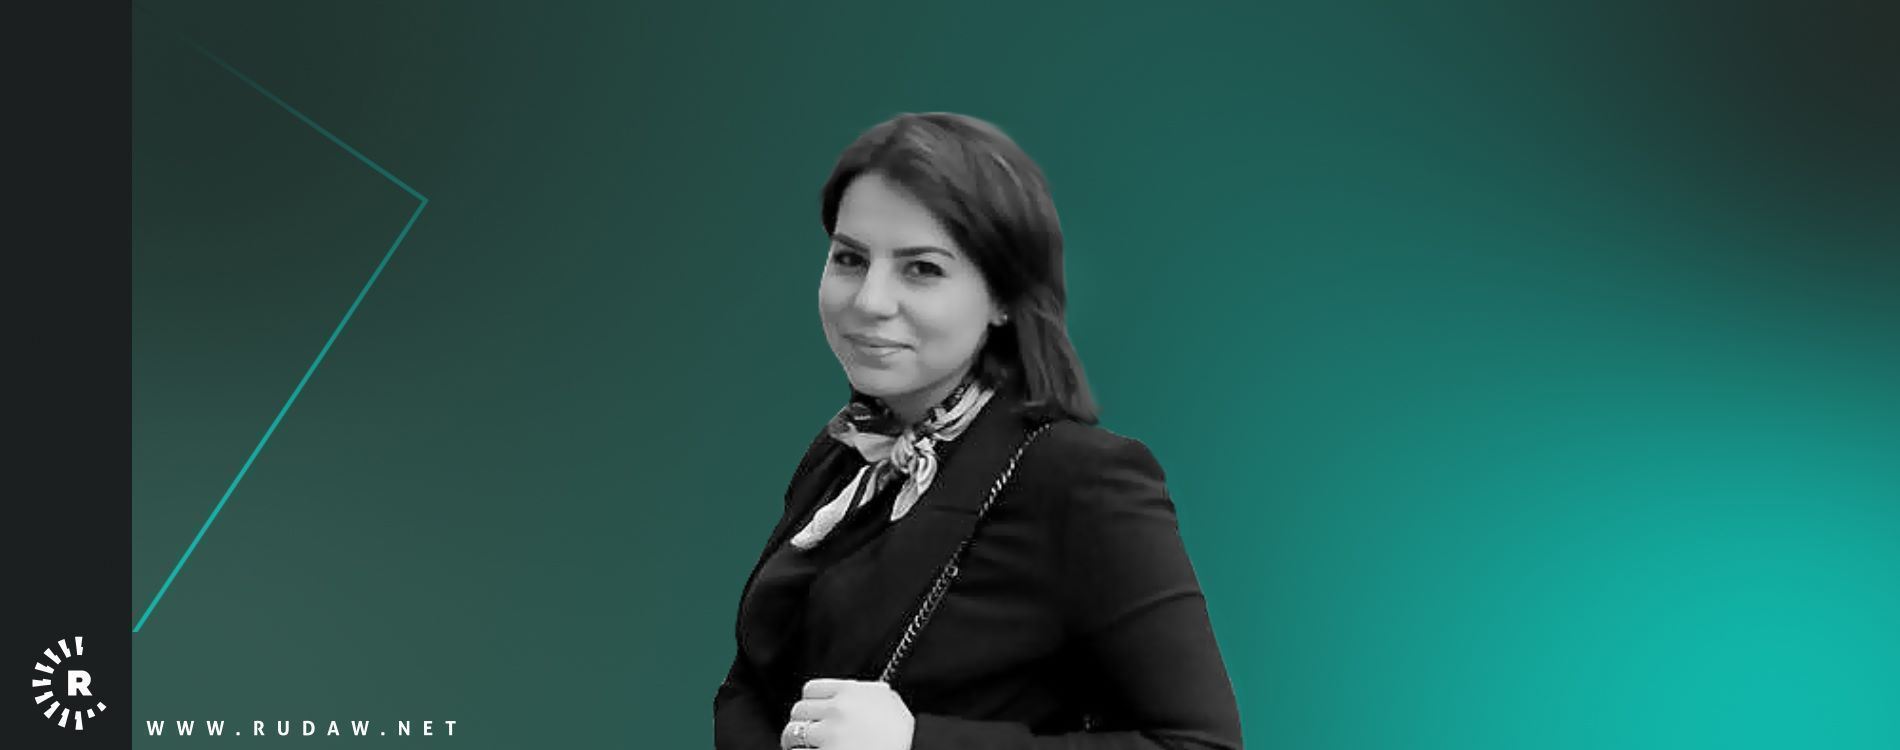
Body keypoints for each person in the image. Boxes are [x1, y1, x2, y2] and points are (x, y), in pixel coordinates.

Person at [714, 112, 1242, 750]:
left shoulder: (1081, 481)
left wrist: (916, 744)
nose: (869, 300)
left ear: (1003, 298)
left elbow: (1200, 744)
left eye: (922, 268)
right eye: (850, 259)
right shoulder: (842, 455)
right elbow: (753, 678)